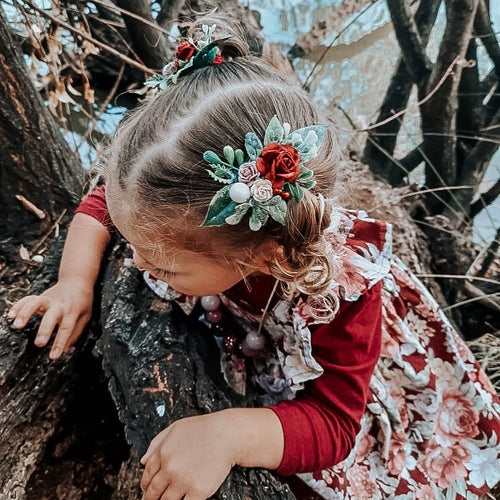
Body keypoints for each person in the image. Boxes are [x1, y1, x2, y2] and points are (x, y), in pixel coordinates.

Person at [8, 15, 500, 500]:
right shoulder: (176, 200)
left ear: (263, 254)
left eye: (163, 263)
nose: (136, 263)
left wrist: (229, 434)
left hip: (348, 378)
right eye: (136, 247)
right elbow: (103, 203)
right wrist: (73, 280)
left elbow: (334, 422)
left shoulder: (339, 294)